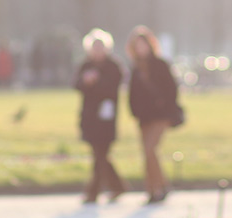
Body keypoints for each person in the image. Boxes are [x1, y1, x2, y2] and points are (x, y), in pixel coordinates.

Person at [127, 26, 181, 204]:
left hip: (161, 115)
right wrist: (134, 111)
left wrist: (165, 105)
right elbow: (132, 93)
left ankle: (159, 187)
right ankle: (154, 188)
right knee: (147, 153)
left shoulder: (160, 64)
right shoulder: (135, 67)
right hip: (144, 117)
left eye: (143, 44)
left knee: (150, 149)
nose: (141, 48)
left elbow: (171, 88)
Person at [74, 29, 126, 203]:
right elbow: (76, 84)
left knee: (100, 154)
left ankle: (92, 192)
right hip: (90, 118)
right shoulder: (85, 65)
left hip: (106, 118)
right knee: (100, 155)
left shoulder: (113, 67)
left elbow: (112, 88)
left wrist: (96, 82)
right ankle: (117, 185)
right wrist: (85, 81)